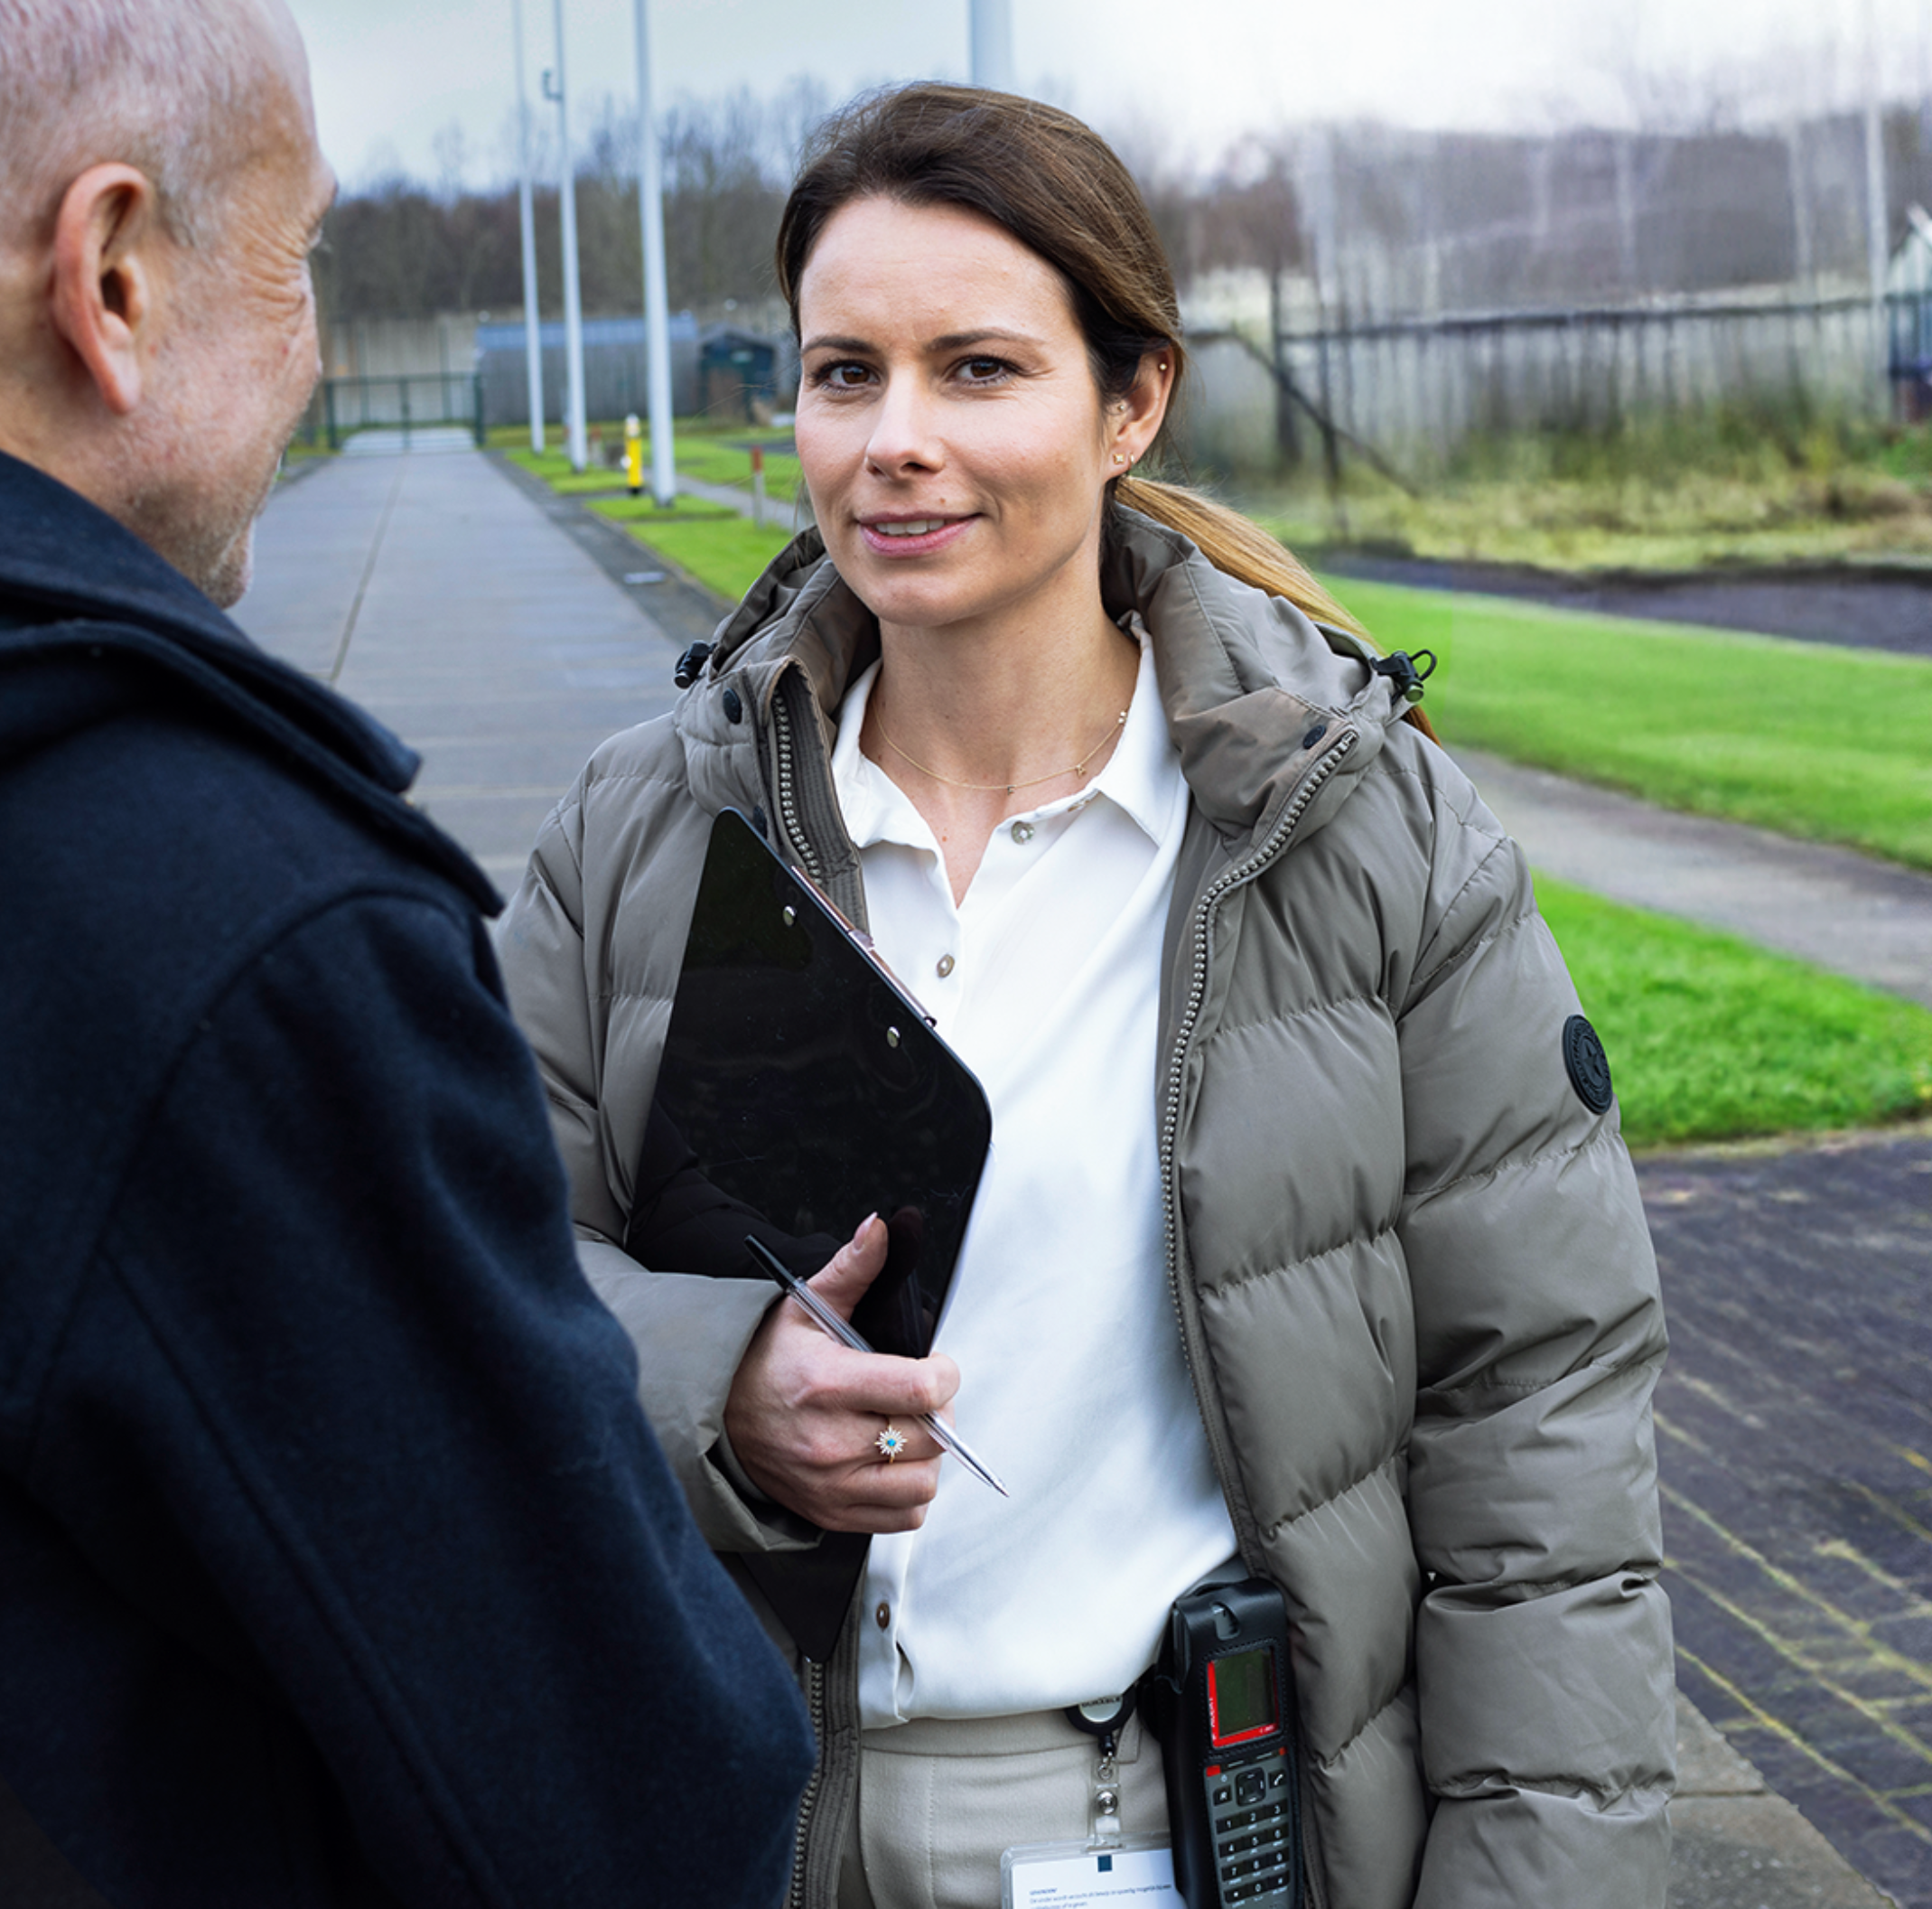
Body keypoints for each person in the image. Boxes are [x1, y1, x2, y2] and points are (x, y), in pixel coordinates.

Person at [0, 3, 813, 1904]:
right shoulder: (225, 938)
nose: (313, 339)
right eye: (299, 254)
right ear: (114, 279)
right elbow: (616, 1811)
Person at [498, 83, 1675, 1909]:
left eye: (976, 370)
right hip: (713, 1823)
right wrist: (706, 1385)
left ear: (1131, 402)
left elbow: (1540, 1443)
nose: (894, 441)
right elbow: (453, 1271)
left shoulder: (1365, 841)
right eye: (841, 373)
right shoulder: (639, 828)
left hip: (1137, 1834)